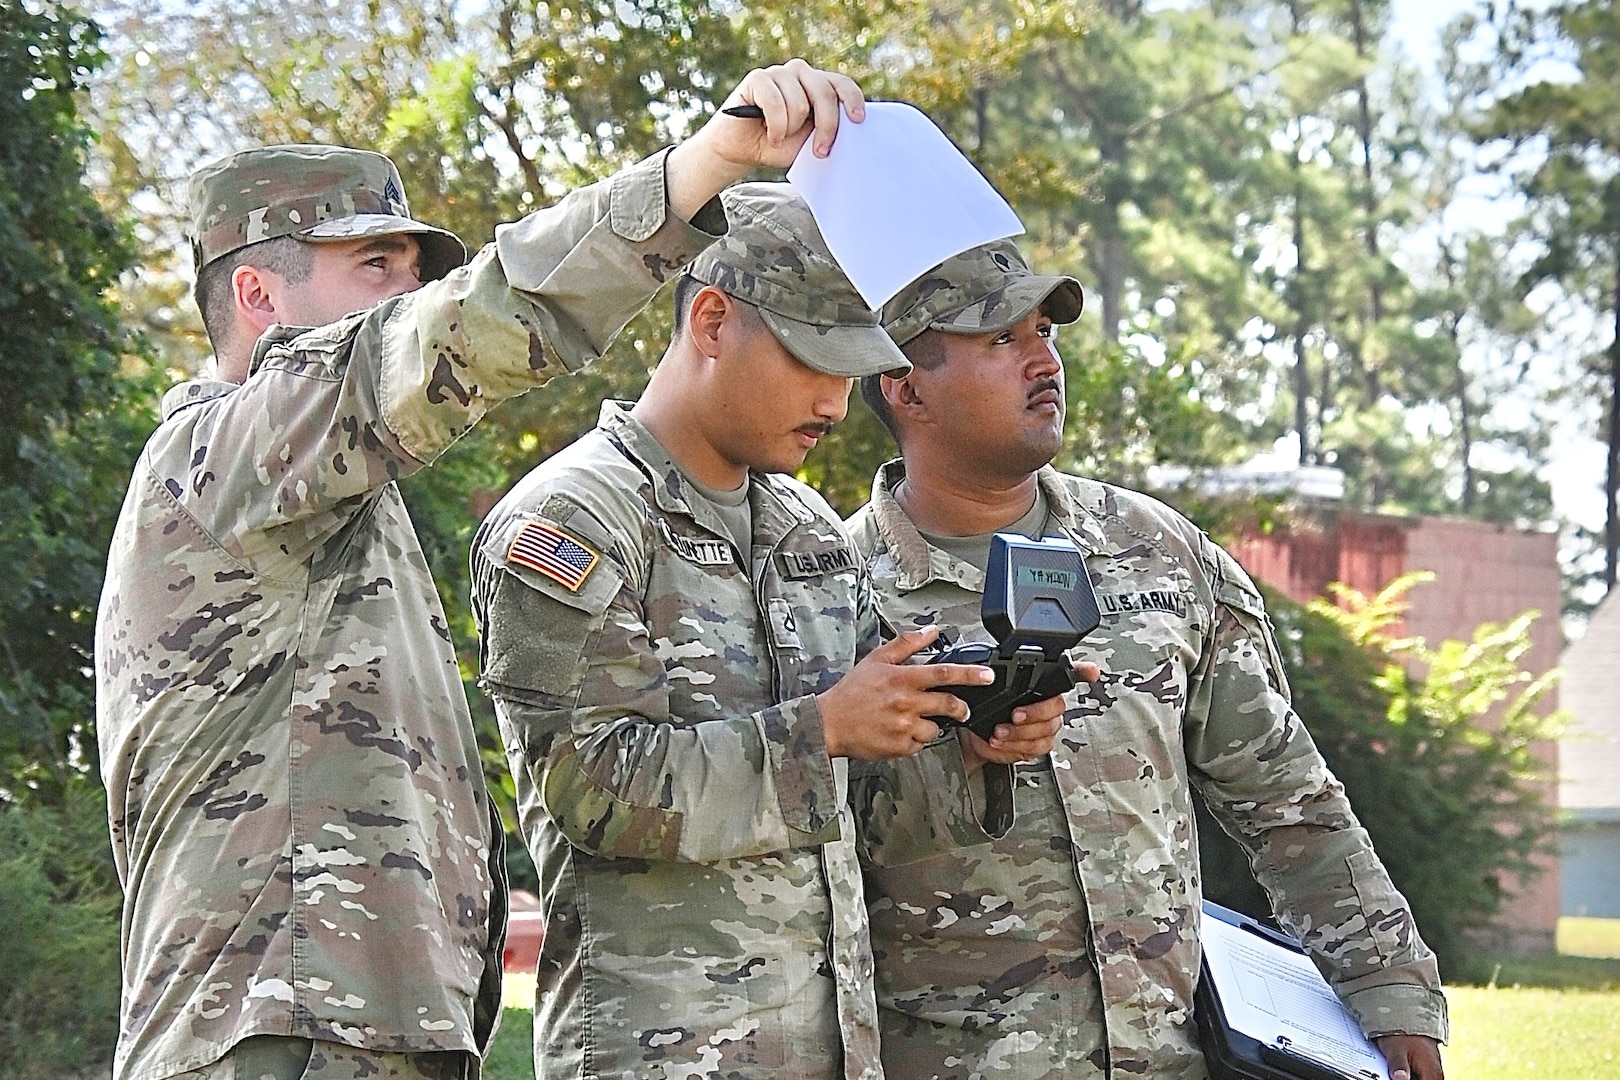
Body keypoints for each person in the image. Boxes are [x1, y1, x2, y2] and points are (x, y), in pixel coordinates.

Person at [95, 60, 874, 1080]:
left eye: (412, 267)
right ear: (258, 294)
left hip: (345, 1032)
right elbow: (471, 326)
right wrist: (704, 167)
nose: (409, 291)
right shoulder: (219, 457)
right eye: (375, 262)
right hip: (275, 1032)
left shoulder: (324, 506)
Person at [468, 183, 1072, 1080]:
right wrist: (820, 731)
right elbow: (587, 789)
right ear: (711, 322)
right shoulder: (573, 521)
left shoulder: (804, 526)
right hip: (660, 1055)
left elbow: (866, 809)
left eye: (850, 369)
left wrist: (973, 745)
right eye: (814, 361)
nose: (836, 403)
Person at [847, 239, 1449, 1080]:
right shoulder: (831, 593)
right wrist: (959, 762)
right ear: (907, 387)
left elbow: (1284, 797)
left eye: (1044, 332)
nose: (1043, 362)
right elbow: (806, 853)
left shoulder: (1159, 552)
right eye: (1002, 339)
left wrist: (1391, 988)